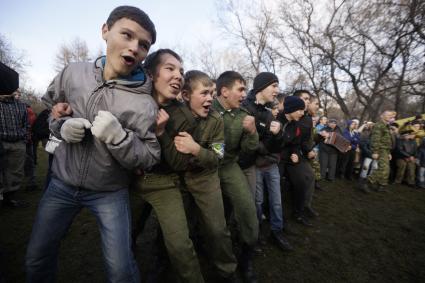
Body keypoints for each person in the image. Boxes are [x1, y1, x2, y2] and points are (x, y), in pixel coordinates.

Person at [25, 6, 160, 282]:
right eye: (127, 35)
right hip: (61, 184)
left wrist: (121, 139)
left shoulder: (146, 103)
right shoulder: (73, 73)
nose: (134, 47)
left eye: (143, 45)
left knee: (121, 272)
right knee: (36, 260)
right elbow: (47, 111)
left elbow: (149, 156)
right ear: (105, 31)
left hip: (109, 192)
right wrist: (59, 124)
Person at [212, 71, 260, 282]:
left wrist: (252, 132)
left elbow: (250, 149)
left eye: (245, 90)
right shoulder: (206, 108)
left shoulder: (243, 116)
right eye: (240, 89)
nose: (244, 94)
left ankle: (246, 258)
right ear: (224, 91)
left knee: (248, 210)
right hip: (204, 168)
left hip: (229, 167)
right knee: (212, 220)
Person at [241, 72, 293, 250]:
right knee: (257, 202)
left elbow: (277, 145)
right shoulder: (244, 108)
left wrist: (277, 134)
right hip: (253, 166)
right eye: (274, 86)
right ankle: (255, 234)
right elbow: (250, 145)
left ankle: (276, 232)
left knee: (276, 201)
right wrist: (265, 146)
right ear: (262, 87)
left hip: (270, 165)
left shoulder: (269, 114)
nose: (277, 91)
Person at [0, 63, 29, 208]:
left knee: (15, 172)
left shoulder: (21, 105)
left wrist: (23, 139)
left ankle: (9, 198)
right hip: (1, 142)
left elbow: (25, 124)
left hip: (18, 143)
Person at [360, 110, 396, 192]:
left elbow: (387, 140)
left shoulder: (387, 126)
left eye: (390, 115)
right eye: (387, 115)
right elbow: (375, 140)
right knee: (382, 169)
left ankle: (381, 186)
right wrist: (375, 152)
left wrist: (389, 152)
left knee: (386, 169)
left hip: (385, 150)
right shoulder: (379, 125)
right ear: (382, 116)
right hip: (380, 150)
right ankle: (366, 182)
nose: (389, 116)